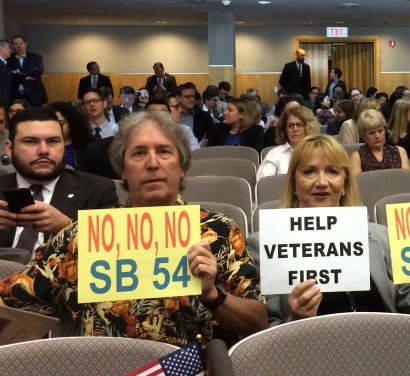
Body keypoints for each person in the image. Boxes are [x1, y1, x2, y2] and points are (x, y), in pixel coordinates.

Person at [0, 110, 268, 344]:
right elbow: (10, 301)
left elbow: (257, 322)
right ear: (123, 170)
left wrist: (212, 295)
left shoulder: (218, 231)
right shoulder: (83, 236)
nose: (152, 163)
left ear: (182, 166)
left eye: (164, 151)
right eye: (139, 153)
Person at [247, 134, 410, 323]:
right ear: (294, 183)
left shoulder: (379, 236)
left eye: (332, 171)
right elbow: (260, 329)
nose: (322, 182)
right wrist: (295, 319)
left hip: (385, 350)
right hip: (310, 358)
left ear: (344, 183)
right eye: (309, 172)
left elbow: (407, 302)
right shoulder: (263, 245)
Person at [0, 107, 118, 253]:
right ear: (10, 149)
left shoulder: (98, 190)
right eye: (30, 141)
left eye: (53, 141)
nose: (44, 150)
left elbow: (114, 250)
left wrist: (67, 228)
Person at [257, 105, 320, 181]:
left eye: (299, 124)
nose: (295, 129)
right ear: (285, 130)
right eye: (290, 126)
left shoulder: (320, 152)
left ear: (309, 126)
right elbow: (263, 183)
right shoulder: (275, 154)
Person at [350, 109, 410, 175]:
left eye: (380, 131)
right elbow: (356, 181)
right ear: (363, 135)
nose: (377, 136)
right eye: (372, 133)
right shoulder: (357, 156)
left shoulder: (400, 151)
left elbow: (407, 179)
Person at [46, 101, 95, 168]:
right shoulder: (44, 147)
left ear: (71, 123)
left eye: (61, 123)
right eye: (53, 124)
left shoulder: (87, 146)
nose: (58, 127)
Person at [7, 35, 48, 106]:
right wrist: (27, 77)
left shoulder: (36, 57)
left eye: (21, 43)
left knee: (36, 112)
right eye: (16, 44)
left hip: (34, 94)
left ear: (25, 44)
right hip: (15, 94)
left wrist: (19, 71)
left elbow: (39, 70)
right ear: (12, 45)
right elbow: (10, 75)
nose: (19, 46)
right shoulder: (9, 59)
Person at [0, 40, 12, 107]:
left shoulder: (4, 63)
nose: (10, 50)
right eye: (8, 48)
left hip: (5, 100)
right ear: (1, 48)